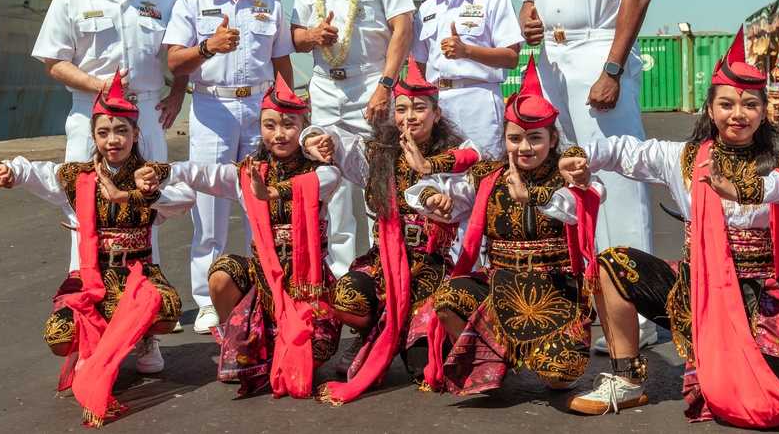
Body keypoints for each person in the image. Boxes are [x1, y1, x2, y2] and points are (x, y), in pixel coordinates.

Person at [566, 29, 779, 430]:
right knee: (612, 265)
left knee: (777, 399)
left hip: (754, 293)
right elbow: (624, 150)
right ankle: (626, 379)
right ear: (710, 109)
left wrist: (749, 188)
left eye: (749, 105)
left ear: (763, 112)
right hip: (695, 290)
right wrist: (582, 157)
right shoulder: (684, 158)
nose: (737, 114)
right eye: (726, 104)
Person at [0, 71, 194, 428]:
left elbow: (184, 197)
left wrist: (138, 194)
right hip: (90, 276)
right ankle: (90, 346)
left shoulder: (149, 174)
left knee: (166, 309)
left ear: (136, 134)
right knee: (58, 337)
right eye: (104, 132)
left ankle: (144, 339)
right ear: (93, 136)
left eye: (122, 131)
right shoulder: (77, 178)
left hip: (138, 274)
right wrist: (9, 171)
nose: (114, 140)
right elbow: (38, 173)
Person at [516, 0, 657, 349]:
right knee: (578, 182)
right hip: (553, 57)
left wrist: (614, 69)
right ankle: (599, 300)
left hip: (599, 51)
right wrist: (527, 16)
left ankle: (636, 313)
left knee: (619, 181)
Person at [133, 75, 342, 398]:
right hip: (265, 282)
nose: (279, 134)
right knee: (221, 273)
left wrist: (270, 191)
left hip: (308, 285)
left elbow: (322, 182)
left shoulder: (320, 170)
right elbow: (202, 173)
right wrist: (164, 171)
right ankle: (246, 335)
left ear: (304, 128)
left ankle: (274, 344)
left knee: (310, 355)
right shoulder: (247, 173)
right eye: (269, 125)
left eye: (289, 125)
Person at [405, 56, 603, 394]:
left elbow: (581, 205)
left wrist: (534, 195)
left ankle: (537, 351)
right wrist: (431, 198)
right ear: (505, 138)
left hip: (556, 292)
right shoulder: (490, 177)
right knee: (448, 300)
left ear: (553, 140)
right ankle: (498, 355)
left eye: (535, 138)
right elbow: (450, 200)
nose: (524, 148)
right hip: (499, 288)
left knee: (559, 373)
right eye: (515, 139)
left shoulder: (570, 176)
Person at [300, 57, 479, 404]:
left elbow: (471, 181)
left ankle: (416, 337)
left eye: (420, 108)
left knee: (423, 368)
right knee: (348, 295)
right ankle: (368, 336)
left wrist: (446, 202)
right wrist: (316, 138)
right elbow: (338, 141)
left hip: (432, 268)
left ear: (437, 114)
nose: (410, 116)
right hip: (384, 264)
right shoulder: (379, 154)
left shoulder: (455, 156)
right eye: (401, 109)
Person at [32, 0, 187, 271]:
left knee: (149, 200)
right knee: (84, 203)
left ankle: (148, 292)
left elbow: (182, 53)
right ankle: (84, 290)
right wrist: (96, 84)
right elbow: (54, 62)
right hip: (91, 111)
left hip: (148, 112)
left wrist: (178, 94)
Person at [165, 0, 294, 334]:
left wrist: (286, 112)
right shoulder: (190, 3)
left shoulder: (268, 4)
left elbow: (281, 64)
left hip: (259, 110)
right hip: (211, 108)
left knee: (262, 199)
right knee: (210, 206)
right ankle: (206, 299)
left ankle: (263, 286)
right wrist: (209, 47)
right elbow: (175, 63)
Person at [290, 0, 415, 279]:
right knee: (333, 180)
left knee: (380, 177)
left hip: (369, 83)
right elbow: (293, 34)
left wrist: (386, 85)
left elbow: (403, 27)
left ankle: (386, 269)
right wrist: (311, 36)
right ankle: (344, 279)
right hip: (325, 84)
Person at [411, 0, 522, 159]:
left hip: (478, 99)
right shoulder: (427, 6)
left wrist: (467, 51)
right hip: (436, 104)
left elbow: (511, 57)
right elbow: (418, 65)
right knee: (440, 178)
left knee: (484, 174)